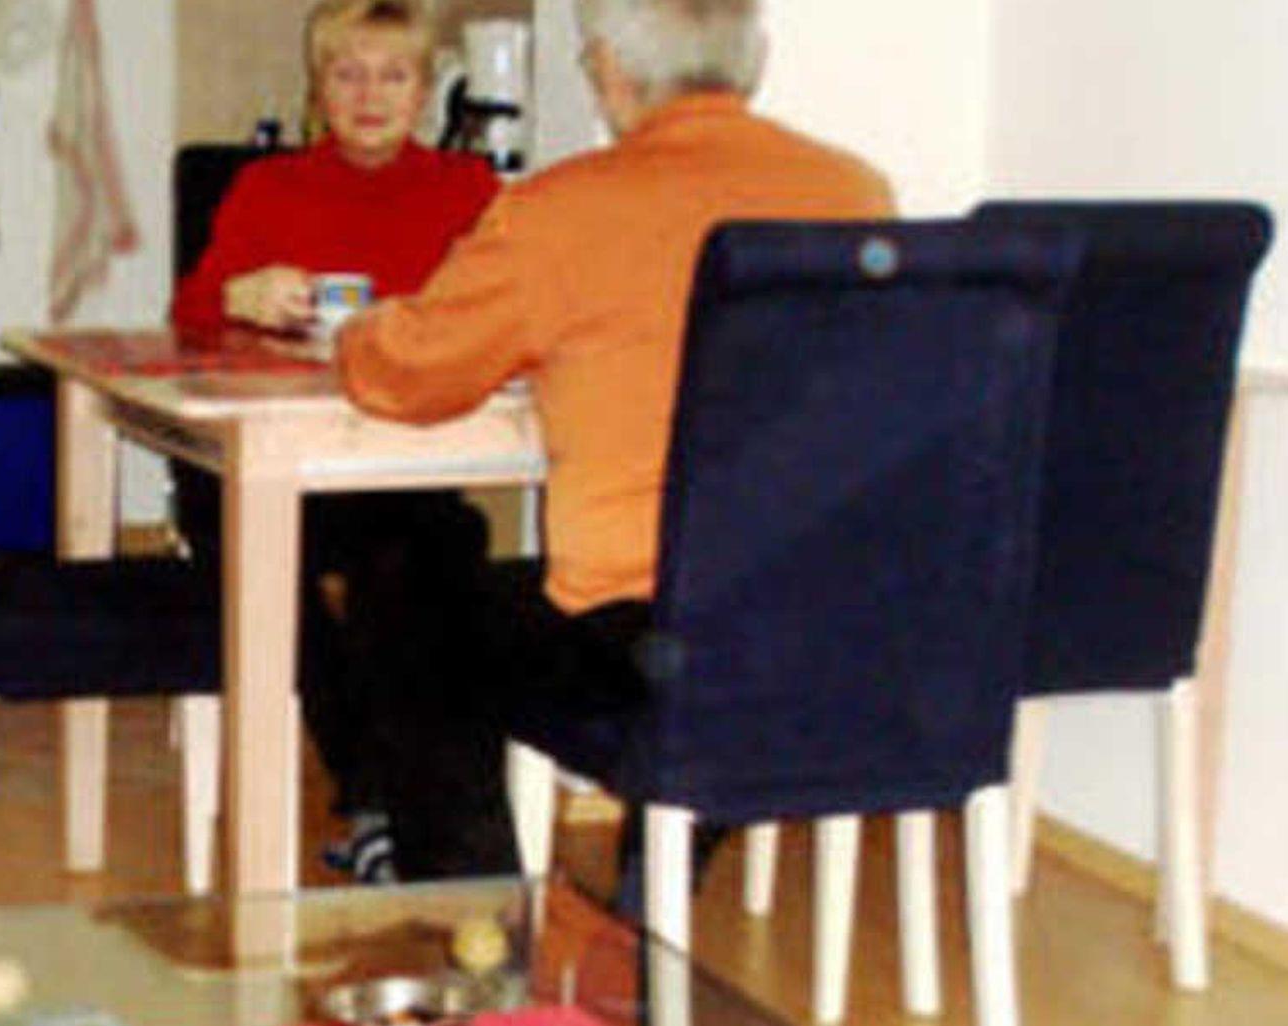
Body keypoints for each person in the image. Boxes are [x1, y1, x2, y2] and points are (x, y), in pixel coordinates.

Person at [334, 0, 895, 881]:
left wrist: (355, 329)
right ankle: (658, 868)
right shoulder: (856, 193)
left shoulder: (564, 208)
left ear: (610, 72)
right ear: (751, 61)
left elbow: (406, 374)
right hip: (824, 619)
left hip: (644, 636)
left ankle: (476, 907)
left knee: (405, 592)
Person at [169, 0, 500, 881]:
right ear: (317, 89)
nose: (370, 95)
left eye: (394, 75)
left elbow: (507, 313)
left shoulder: (468, 191)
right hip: (273, 459)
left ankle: (413, 815)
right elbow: (188, 314)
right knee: (252, 552)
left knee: (434, 554)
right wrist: (237, 297)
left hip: (400, 459)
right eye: (348, 74)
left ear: (426, 93)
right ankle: (376, 792)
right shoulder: (267, 188)